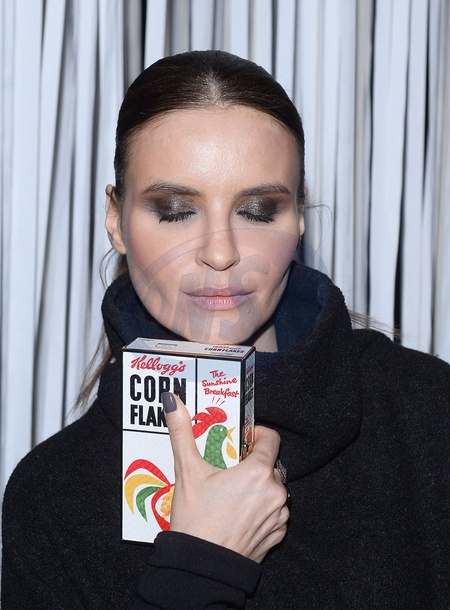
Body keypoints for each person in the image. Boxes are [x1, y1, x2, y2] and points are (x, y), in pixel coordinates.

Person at [2, 50, 449, 609]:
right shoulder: (51, 496)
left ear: (299, 216)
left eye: (257, 210)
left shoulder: (429, 415)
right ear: (115, 220)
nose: (220, 252)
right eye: (175, 210)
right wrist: (199, 570)